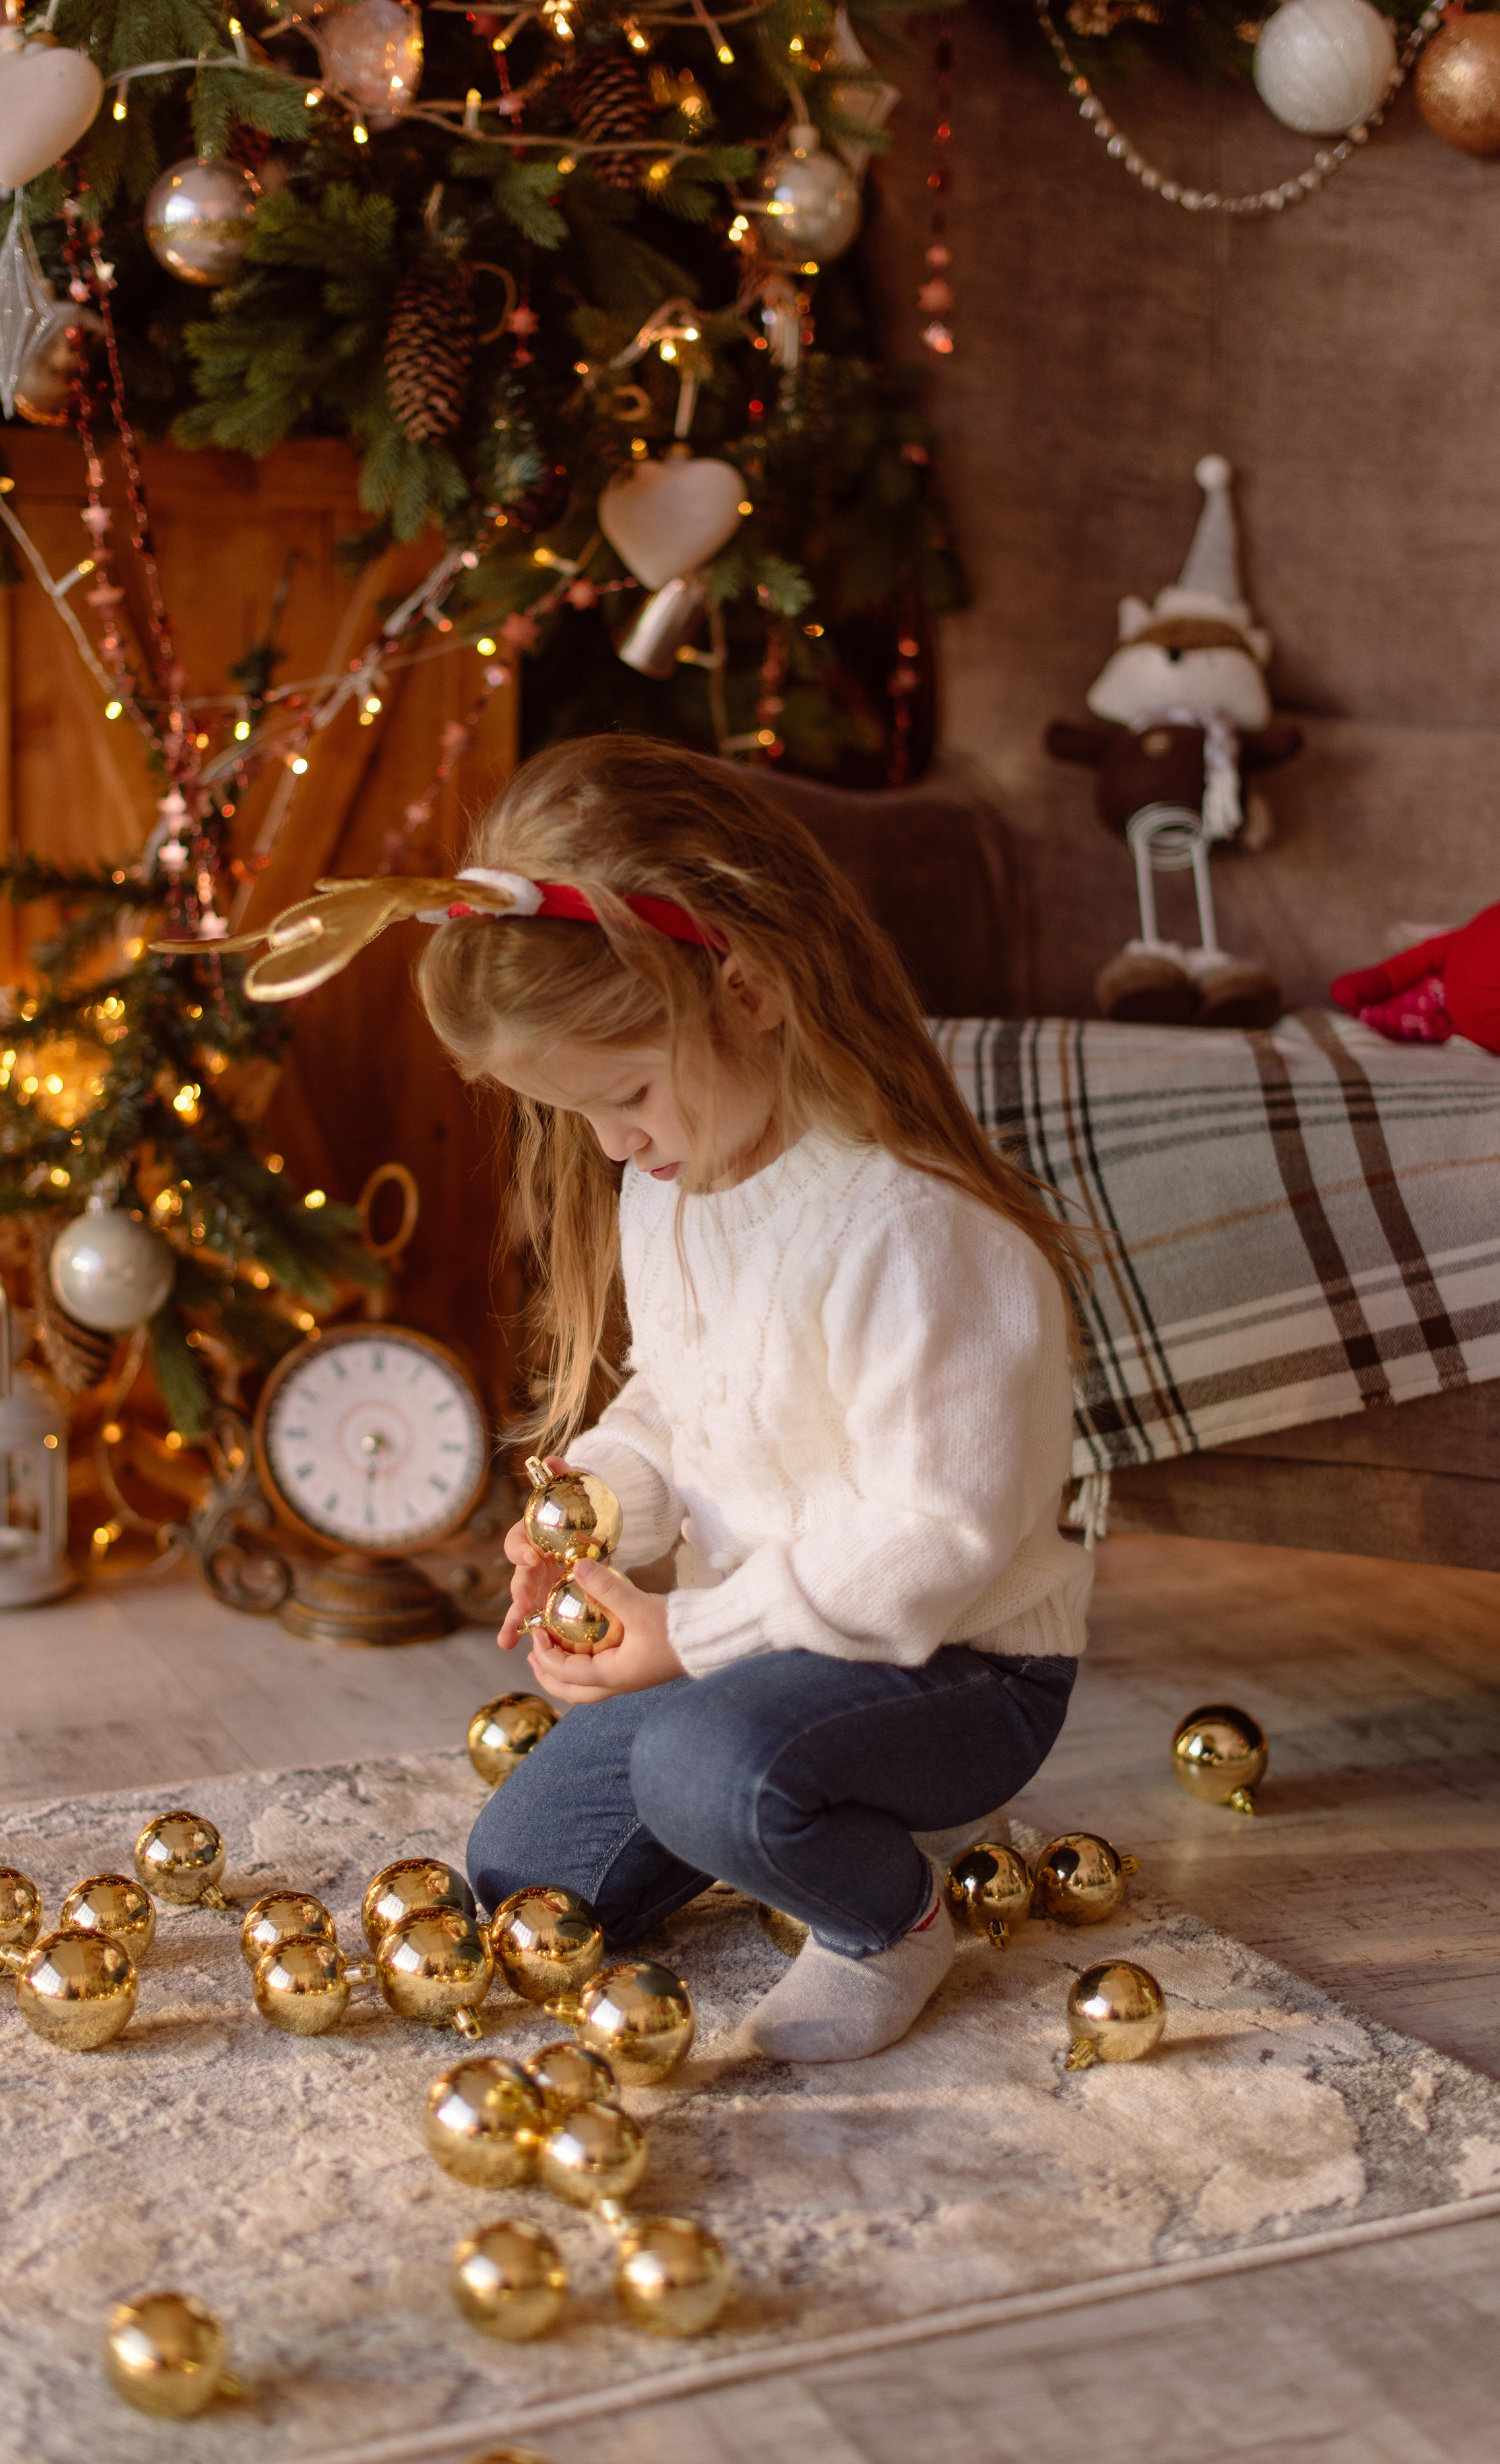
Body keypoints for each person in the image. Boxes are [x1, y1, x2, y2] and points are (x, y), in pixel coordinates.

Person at [419, 737, 1092, 2063]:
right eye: (575, 1116)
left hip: (956, 1659)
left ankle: (890, 1919)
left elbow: (932, 1538)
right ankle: (819, 1788)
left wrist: (684, 1636)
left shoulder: (909, 1228)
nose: (610, 1142)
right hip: (768, 1647)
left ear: (748, 988)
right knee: (522, 1880)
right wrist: (604, 1501)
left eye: (620, 1094)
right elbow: (679, 1394)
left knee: (703, 1773)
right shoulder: (672, 1180)